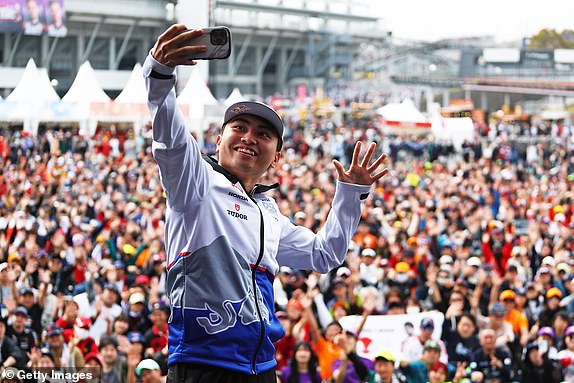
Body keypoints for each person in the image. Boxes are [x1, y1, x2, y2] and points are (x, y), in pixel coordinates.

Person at [145, 24, 389, 383]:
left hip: (261, 368)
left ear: (276, 158)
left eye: (263, 134)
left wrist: (350, 196)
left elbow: (325, 254)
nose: (249, 138)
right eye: (239, 127)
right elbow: (170, 140)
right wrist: (160, 74)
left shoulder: (269, 214)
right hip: (203, 366)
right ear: (218, 140)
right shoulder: (195, 184)